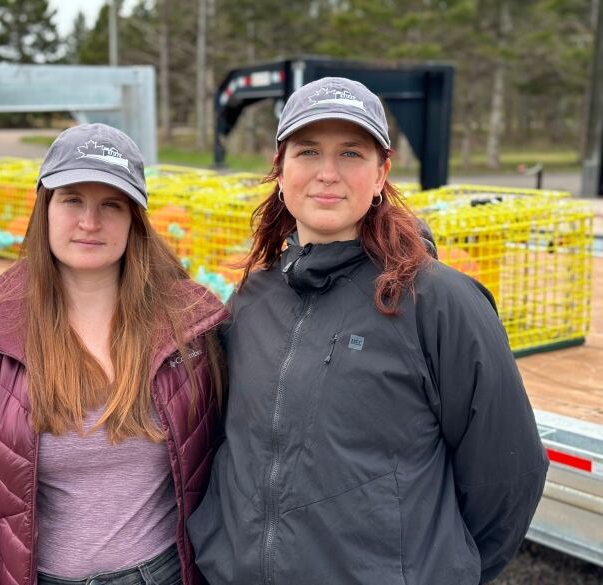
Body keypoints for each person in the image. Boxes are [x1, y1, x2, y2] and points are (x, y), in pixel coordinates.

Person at [187, 78, 549, 585]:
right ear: (281, 169)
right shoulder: (253, 300)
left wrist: (442, 571)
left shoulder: (439, 303)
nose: (327, 173)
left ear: (381, 173)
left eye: (351, 153)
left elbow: (510, 474)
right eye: (308, 151)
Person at [0, 123, 227, 585]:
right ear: (45, 208)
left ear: (135, 219)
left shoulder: (189, 329)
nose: (90, 222)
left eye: (110, 204)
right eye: (72, 199)